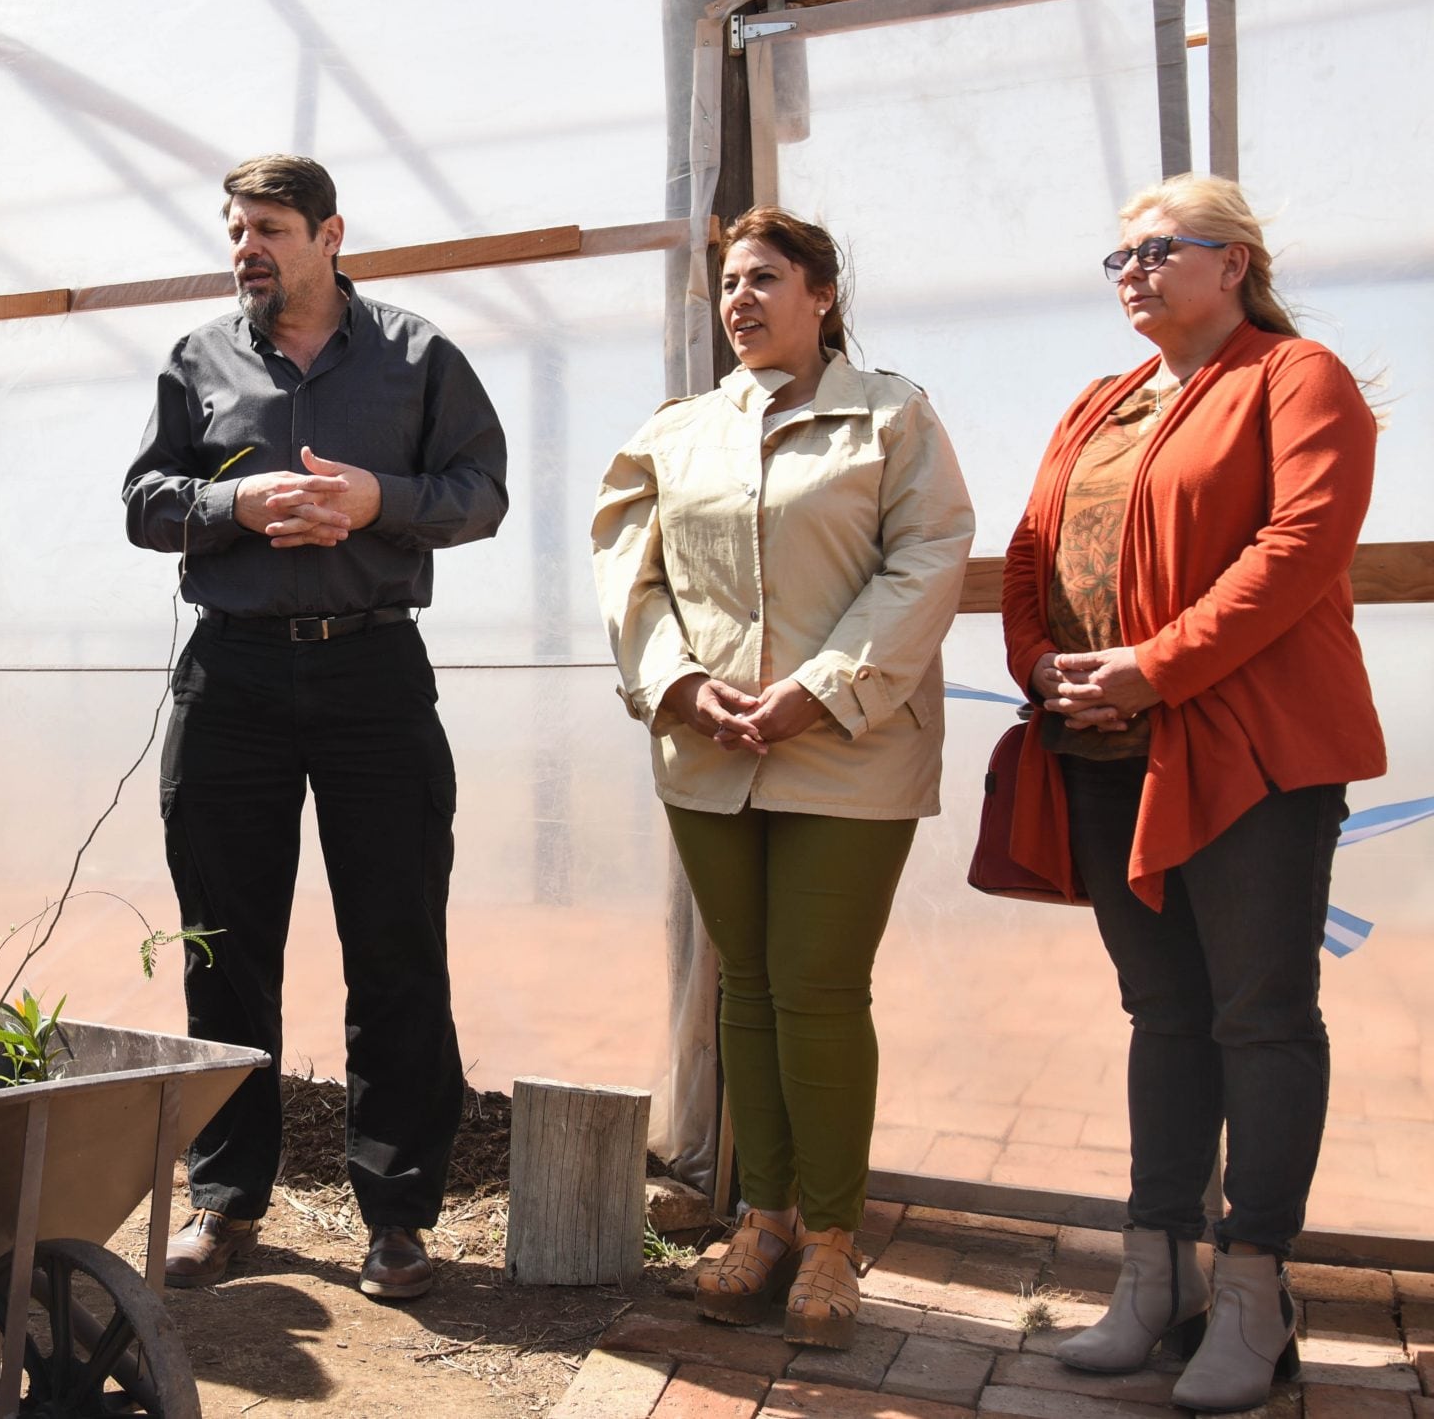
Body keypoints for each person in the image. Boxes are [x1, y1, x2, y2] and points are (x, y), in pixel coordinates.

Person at [1005, 175, 1381, 1413]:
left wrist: (1153, 666)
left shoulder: (1295, 375)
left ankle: (1255, 1290)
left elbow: (1297, 551)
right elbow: (1030, 549)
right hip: (1105, 750)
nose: (1134, 272)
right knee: (1161, 1011)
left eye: (1163, 250)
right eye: (1118, 256)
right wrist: (1043, 667)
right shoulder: (1100, 401)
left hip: (1250, 750)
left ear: (1235, 263)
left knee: (1260, 1015)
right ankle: (1154, 1272)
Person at [121, 153, 507, 1304]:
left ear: (329, 234)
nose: (246, 245)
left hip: (372, 673)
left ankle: (394, 1214)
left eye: (270, 227)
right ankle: (227, 1200)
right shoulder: (196, 361)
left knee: (395, 945)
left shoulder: (416, 356)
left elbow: (481, 488)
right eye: (236, 227)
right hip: (230, 676)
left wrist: (377, 499)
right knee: (224, 947)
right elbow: (144, 501)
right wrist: (230, 504)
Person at [591, 207, 972, 1350]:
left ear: (821, 294)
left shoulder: (891, 415)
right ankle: (762, 1221)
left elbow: (929, 553)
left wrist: (825, 686)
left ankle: (833, 1240)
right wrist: (678, 685)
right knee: (743, 985)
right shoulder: (678, 431)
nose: (741, 300)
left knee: (816, 983)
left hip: (849, 747)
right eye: (727, 284)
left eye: (765, 279)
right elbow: (630, 566)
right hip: (709, 747)